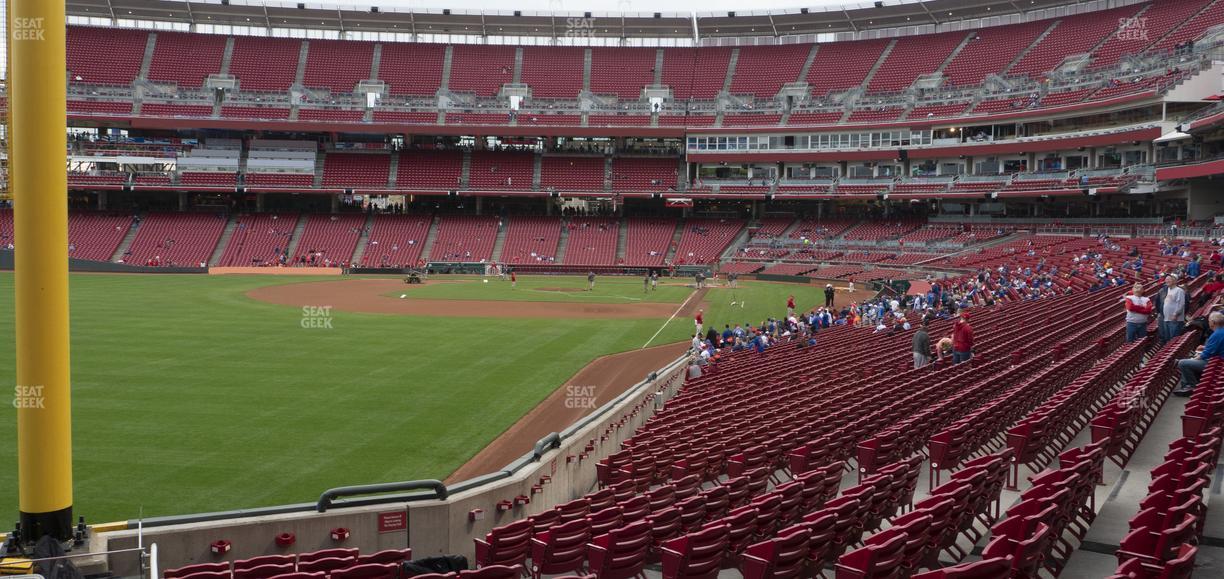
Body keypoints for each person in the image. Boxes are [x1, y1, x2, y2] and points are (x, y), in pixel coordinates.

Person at [1173, 311, 1224, 396]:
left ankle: (1192, 386)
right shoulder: (1220, 332)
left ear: (1213, 323)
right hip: (1217, 362)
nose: (1208, 323)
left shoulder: (1217, 334)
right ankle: (1186, 385)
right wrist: (1204, 348)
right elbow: (1216, 348)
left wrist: (1192, 359)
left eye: (1209, 321)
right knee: (1187, 361)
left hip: (1216, 365)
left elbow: (1205, 355)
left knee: (1183, 363)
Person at [1156, 274, 1186, 344]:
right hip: (1166, 318)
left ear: (1175, 281)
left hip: (1174, 319)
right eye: (1166, 279)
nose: (1167, 280)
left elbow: (1181, 304)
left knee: (1173, 340)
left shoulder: (1179, 290)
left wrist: (1175, 314)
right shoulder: (1168, 290)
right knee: (1168, 339)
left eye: (1169, 279)